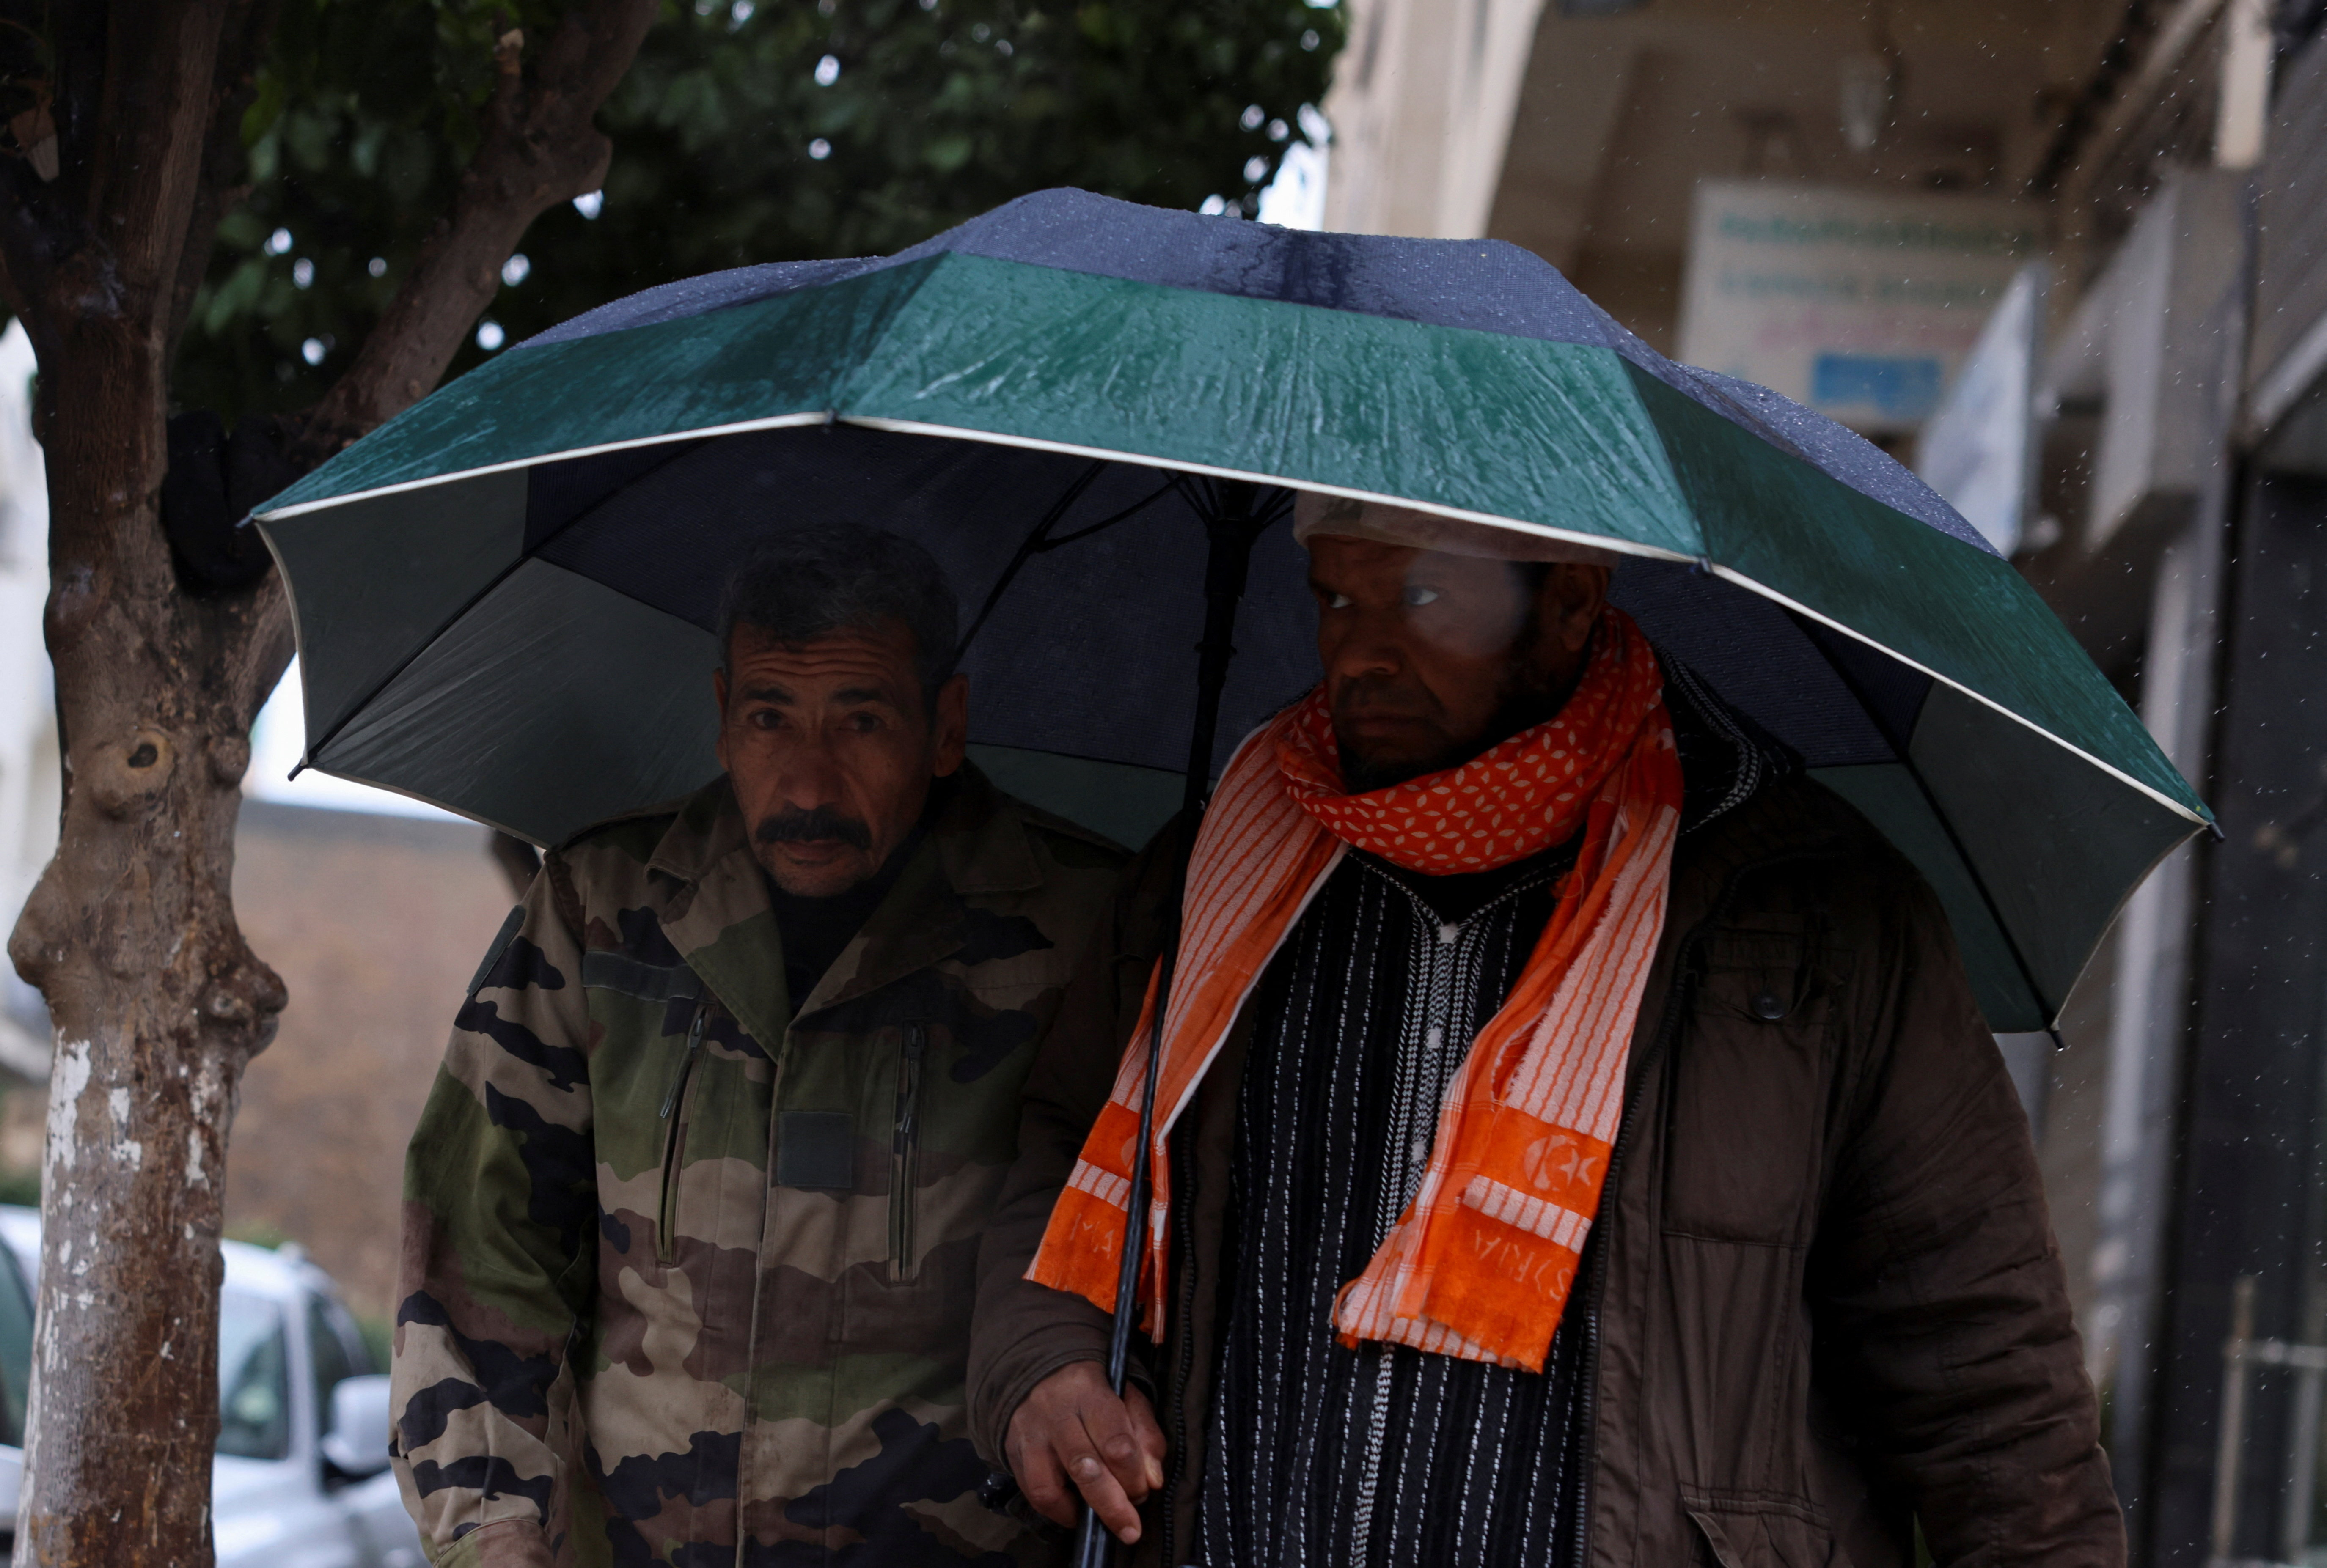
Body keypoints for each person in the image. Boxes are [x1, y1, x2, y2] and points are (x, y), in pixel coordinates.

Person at [968, 495, 2122, 1567]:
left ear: (1569, 603)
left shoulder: (1812, 906)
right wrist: (1043, 1357)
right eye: (1334, 598)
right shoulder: (1216, 865)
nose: (1360, 651)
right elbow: (1067, 1153)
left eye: (1422, 599)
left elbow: (1978, 1357)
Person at [391, 525, 1124, 1568]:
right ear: (723, 717)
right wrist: (492, 1534)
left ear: (945, 726)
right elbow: (479, 1254)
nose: (810, 784)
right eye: (770, 718)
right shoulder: (602, 910)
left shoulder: (1085, 930)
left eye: (861, 721)